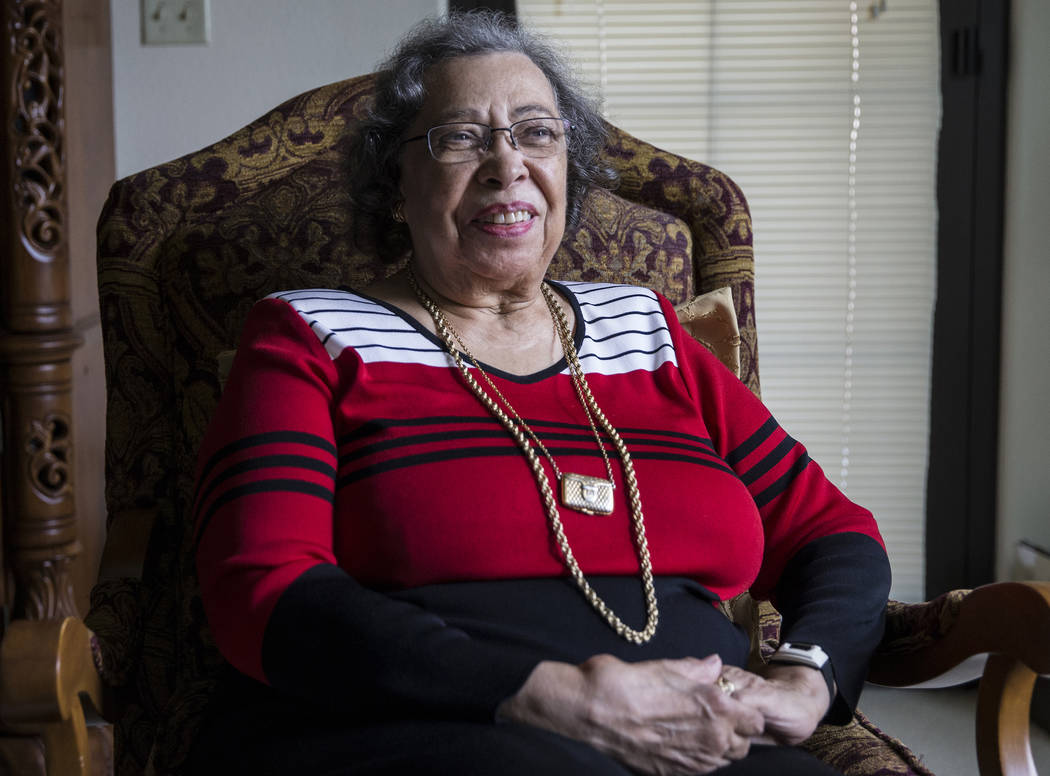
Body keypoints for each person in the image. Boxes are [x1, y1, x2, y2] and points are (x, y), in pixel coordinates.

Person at [188, 11, 890, 775]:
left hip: (701, 736)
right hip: (420, 728)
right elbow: (263, 589)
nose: (506, 164)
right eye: (460, 137)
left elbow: (831, 529)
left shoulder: (645, 329)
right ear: (396, 183)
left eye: (536, 133)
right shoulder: (308, 333)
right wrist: (552, 696)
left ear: (568, 175)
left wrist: (808, 674)